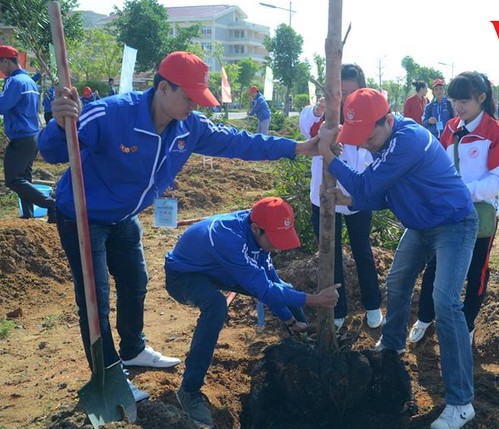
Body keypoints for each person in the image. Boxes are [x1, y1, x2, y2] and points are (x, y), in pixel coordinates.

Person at [38, 51, 319, 402]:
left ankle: (133, 349)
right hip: (83, 215)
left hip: (124, 216)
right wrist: (59, 123)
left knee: (135, 283)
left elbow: (240, 142)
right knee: (95, 299)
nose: (193, 106)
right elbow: (51, 153)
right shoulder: (111, 113)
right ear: (164, 88)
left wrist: (298, 148)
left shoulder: (190, 127)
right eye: (188, 97)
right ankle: (109, 375)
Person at [318, 88, 478, 429]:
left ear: (388, 120)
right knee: (397, 281)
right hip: (420, 225)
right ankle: (391, 347)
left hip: (453, 223)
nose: (365, 144)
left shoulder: (410, 139)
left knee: (445, 302)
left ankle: (462, 403)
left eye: (368, 136)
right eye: (357, 138)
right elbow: (386, 194)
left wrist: (328, 157)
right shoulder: (386, 141)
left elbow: (367, 187)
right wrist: (351, 193)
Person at [165, 196, 340, 426]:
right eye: (275, 239)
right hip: (183, 276)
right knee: (215, 306)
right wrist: (315, 299)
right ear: (256, 229)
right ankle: (188, 390)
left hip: (217, 269)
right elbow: (264, 290)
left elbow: (270, 280)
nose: (278, 246)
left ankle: (303, 339)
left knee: (285, 290)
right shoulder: (227, 237)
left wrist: (289, 320)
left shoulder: (258, 225)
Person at [409, 71, 499, 347]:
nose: (458, 106)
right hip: (447, 212)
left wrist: (464, 191)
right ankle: (425, 317)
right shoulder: (452, 127)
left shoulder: (496, 133)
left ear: (481, 98)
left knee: (477, 269)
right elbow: (439, 164)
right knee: (436, 264)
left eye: (464, 101)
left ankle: (467, 324)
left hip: (480, 213)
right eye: (455, 100)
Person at [298, 63, 382, 330]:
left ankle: (372, 304)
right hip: (323, 198)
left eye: (350, 92)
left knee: (362, 252)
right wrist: (318, 111)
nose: (345, 98)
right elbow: (306, 128)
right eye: (340, 92)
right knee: (329, 254)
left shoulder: (368, 116)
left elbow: (372, 154)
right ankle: (338, 309)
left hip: (355, 198)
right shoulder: (323, 115)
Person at [0, 44, 56, 222]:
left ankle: (52, 204)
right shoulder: (29, 81)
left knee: (13, 180)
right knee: (24, 177)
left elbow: (2, 106)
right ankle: (28, 216)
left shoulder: (14, 81)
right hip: (32, 136)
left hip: (21, 137)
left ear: (6, 61)